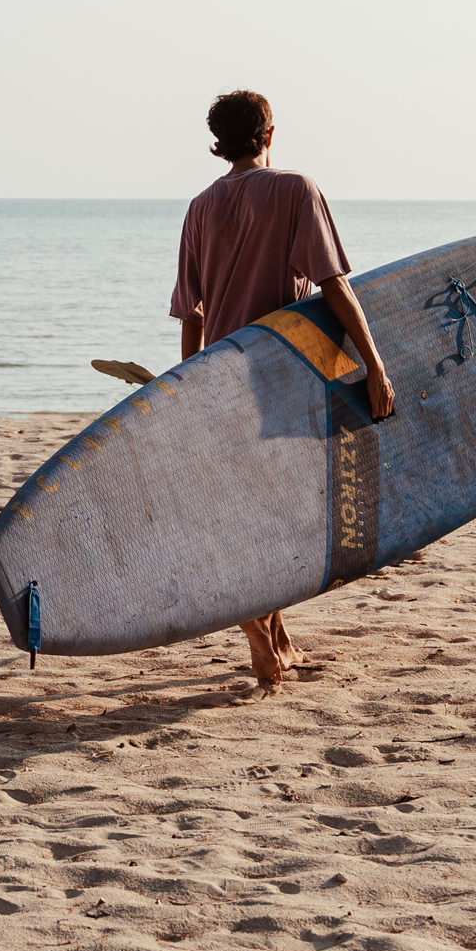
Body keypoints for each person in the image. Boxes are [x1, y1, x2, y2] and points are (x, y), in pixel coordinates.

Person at [169, 89, 396, 693]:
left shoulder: (199, 207)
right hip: (279, 378)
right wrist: (374, 364)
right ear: (269, 133)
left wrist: (188, 388)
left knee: (250, 512)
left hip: (220, 380)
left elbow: (191, 313)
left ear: (220, 142)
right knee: (277, 518)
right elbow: (333, 286)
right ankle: (261, 646)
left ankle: (280, 640)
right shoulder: (296, 188)